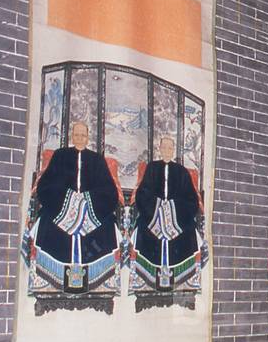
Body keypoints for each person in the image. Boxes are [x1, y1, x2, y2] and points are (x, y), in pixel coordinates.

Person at [28, 121, 120, 294]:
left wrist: (85, 201)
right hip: (61, 207)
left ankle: (99, 285)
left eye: (83, 135)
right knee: (47, 223)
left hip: (91, 209)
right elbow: (45, 187)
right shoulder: (60, 156)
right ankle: (50, 284)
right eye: (76, 135)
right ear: (72, 136)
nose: (79, 138)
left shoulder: (97, 160)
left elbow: (109, 191)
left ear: (88, 138)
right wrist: (70, 200)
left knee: (107, 225)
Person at [131, 136, 202, 291]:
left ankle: (183, 281)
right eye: (164, 148)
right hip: (153, 216)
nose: (167, 151)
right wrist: (158, 209)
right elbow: (142, 194)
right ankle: (146, 281)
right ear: (160, 149)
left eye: (170, 148)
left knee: (189, 231)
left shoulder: (182, 172)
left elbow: (191, 200)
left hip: (178, 218)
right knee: (143, 228)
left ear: (174, 150)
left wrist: (171, 208)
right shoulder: (152, 168)